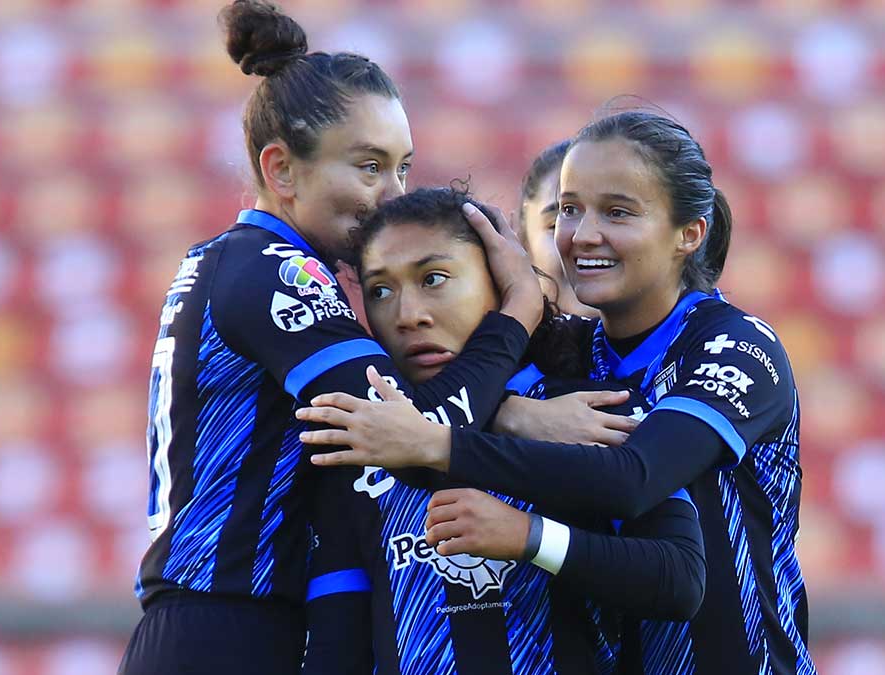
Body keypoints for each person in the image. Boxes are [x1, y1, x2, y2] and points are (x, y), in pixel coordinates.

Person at [299, 111, 817, 675]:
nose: (583, 234)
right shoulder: (569, 356)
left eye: (617, 212)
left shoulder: (735, 345)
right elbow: (476, 376)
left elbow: (632, 481)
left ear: (689, 234)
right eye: (569, 210)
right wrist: (511, 413)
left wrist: (440, 445)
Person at [118, 3, 546, 673]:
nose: (393, 195)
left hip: (215, 626)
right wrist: (519, 313)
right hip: (229, 631)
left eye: (403, 167)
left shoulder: (233, 259)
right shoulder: (277, 272)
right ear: (282, 170)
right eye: (370, 166)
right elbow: (416, 435)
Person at [301, 187, 705, 675]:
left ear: (499, 283)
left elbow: (679, 580)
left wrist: (531, 537)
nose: (408, 315)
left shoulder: (586, 410)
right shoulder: (358, 437)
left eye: (434, 278)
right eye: (380, 291)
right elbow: (336, 639)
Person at [518, 140, 596, 317]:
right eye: (557, 224)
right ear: (523, 243)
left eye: (616, 214)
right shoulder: (496, 342)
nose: (586, 237)